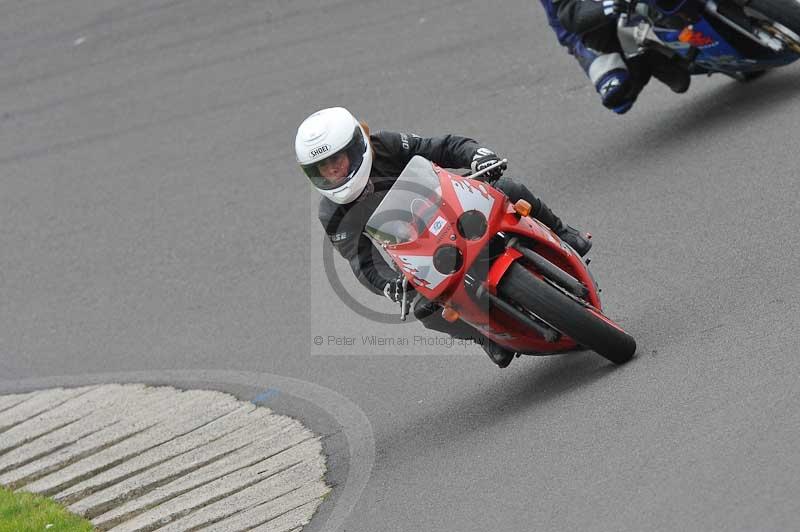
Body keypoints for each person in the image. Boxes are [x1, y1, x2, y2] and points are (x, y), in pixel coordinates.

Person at [296, 107, 591, 368]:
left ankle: (564, 233)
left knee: (507, 188)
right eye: (323, 166)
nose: (332, 168)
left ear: (356, 147)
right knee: (424, 309)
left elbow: (442, 147)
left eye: (337, 157)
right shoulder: (331, 212)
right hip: (415, 250)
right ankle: (487, 336)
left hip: (452, 206)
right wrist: (390, 285)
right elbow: (361, 261)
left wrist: (476, 155)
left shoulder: (383, 145)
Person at [539, 0, 690, 113]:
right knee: (618, 94)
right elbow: (569, 13)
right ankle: (642, 59)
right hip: (591, 23)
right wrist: (607, 7)